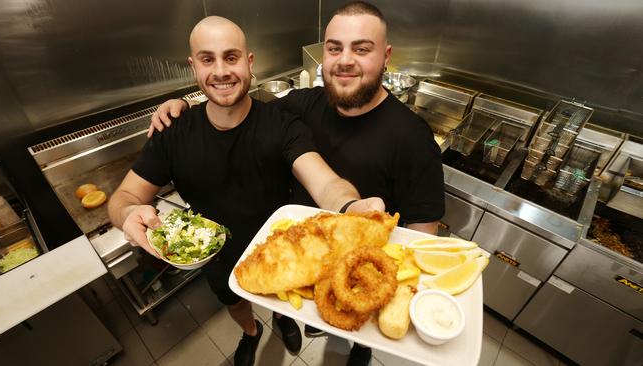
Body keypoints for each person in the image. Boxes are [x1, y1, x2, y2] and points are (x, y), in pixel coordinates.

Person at [149, 2, 445, 365]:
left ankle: (360, 346)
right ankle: (276, 327)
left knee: (358, 327)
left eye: (362, 48)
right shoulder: (302, 104)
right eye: (335, 48)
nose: (345, 60)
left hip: (362, 272)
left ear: (385, 57)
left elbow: (422, 237)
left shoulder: (414, 139)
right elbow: (237, 107)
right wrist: (184, 102)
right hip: (302, 258)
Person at [108, 15, 384, 366]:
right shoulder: (173, 131)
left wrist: (350, 206)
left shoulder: (282, 125)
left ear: (249, 62)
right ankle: (251, 333)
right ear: (193, 67)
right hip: (216, 256)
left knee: (279, 299)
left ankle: (283, 319)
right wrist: (129, 214)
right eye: (208, 59)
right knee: (234, 302)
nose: (221, 71)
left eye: (232, 57)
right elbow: (123, 198)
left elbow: (324, 181)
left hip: (277, 252)